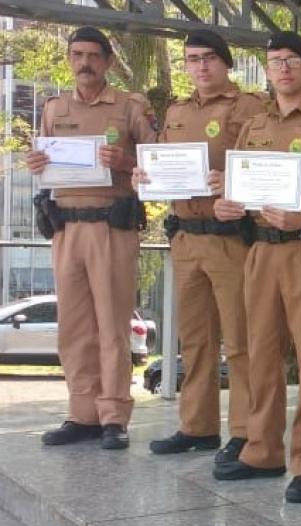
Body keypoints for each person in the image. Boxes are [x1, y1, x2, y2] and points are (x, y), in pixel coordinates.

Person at [211, 31, 301, 504]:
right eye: (274, 61)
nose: (283, 68)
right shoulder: (254, 125)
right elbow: (238, 190)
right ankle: (262, 450)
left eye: (293, 59)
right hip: (261, 251)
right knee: (259, 355)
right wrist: (226, 206)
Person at [132, 30, 267, 463]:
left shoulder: (250, 107)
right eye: (192, 59)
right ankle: (198, 426)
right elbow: (156, 164)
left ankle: (247, 432)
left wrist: (236, 185)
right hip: (186, 236)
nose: (201, 66)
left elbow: (270, 167)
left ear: (226, 62)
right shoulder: (175, 111)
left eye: (210, 57)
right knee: (194, 340)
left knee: (241, 340)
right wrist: (142, 177)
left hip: (231, 239)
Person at [27, 27, 158, 450]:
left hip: (110, 227)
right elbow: (46, 166)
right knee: (75, 327)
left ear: (108, 62)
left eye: (92, 56)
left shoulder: (130, 106)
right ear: (69, 59)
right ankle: (81, 413)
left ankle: (114, 416)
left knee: (112, 325)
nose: (84, 63)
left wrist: (127, 159)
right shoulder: (54, 107)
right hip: (66, 227)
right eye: (77, 55)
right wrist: (36, 162)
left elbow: (162, 158)